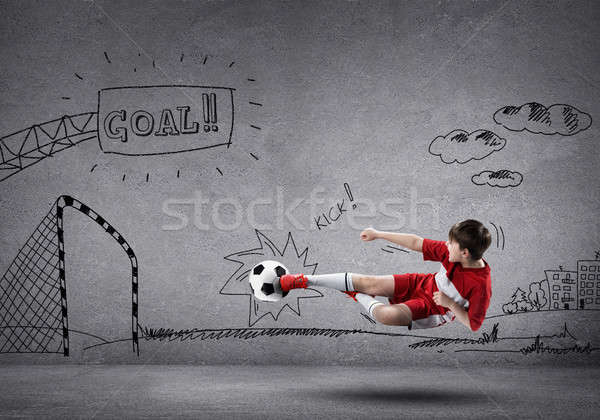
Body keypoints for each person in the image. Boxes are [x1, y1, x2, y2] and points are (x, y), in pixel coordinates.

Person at [279, 219, 492, 331]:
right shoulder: (453, 253)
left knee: (385, 316)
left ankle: (357, 295)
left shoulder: (480, 286)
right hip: (423, 283)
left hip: (435, 308)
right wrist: (378, 234)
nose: (446, 245)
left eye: (451, 244)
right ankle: (305, 280)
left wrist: (451, 304)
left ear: (465, 253)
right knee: (368, 282)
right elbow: (416, 242)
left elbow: (474, 325)